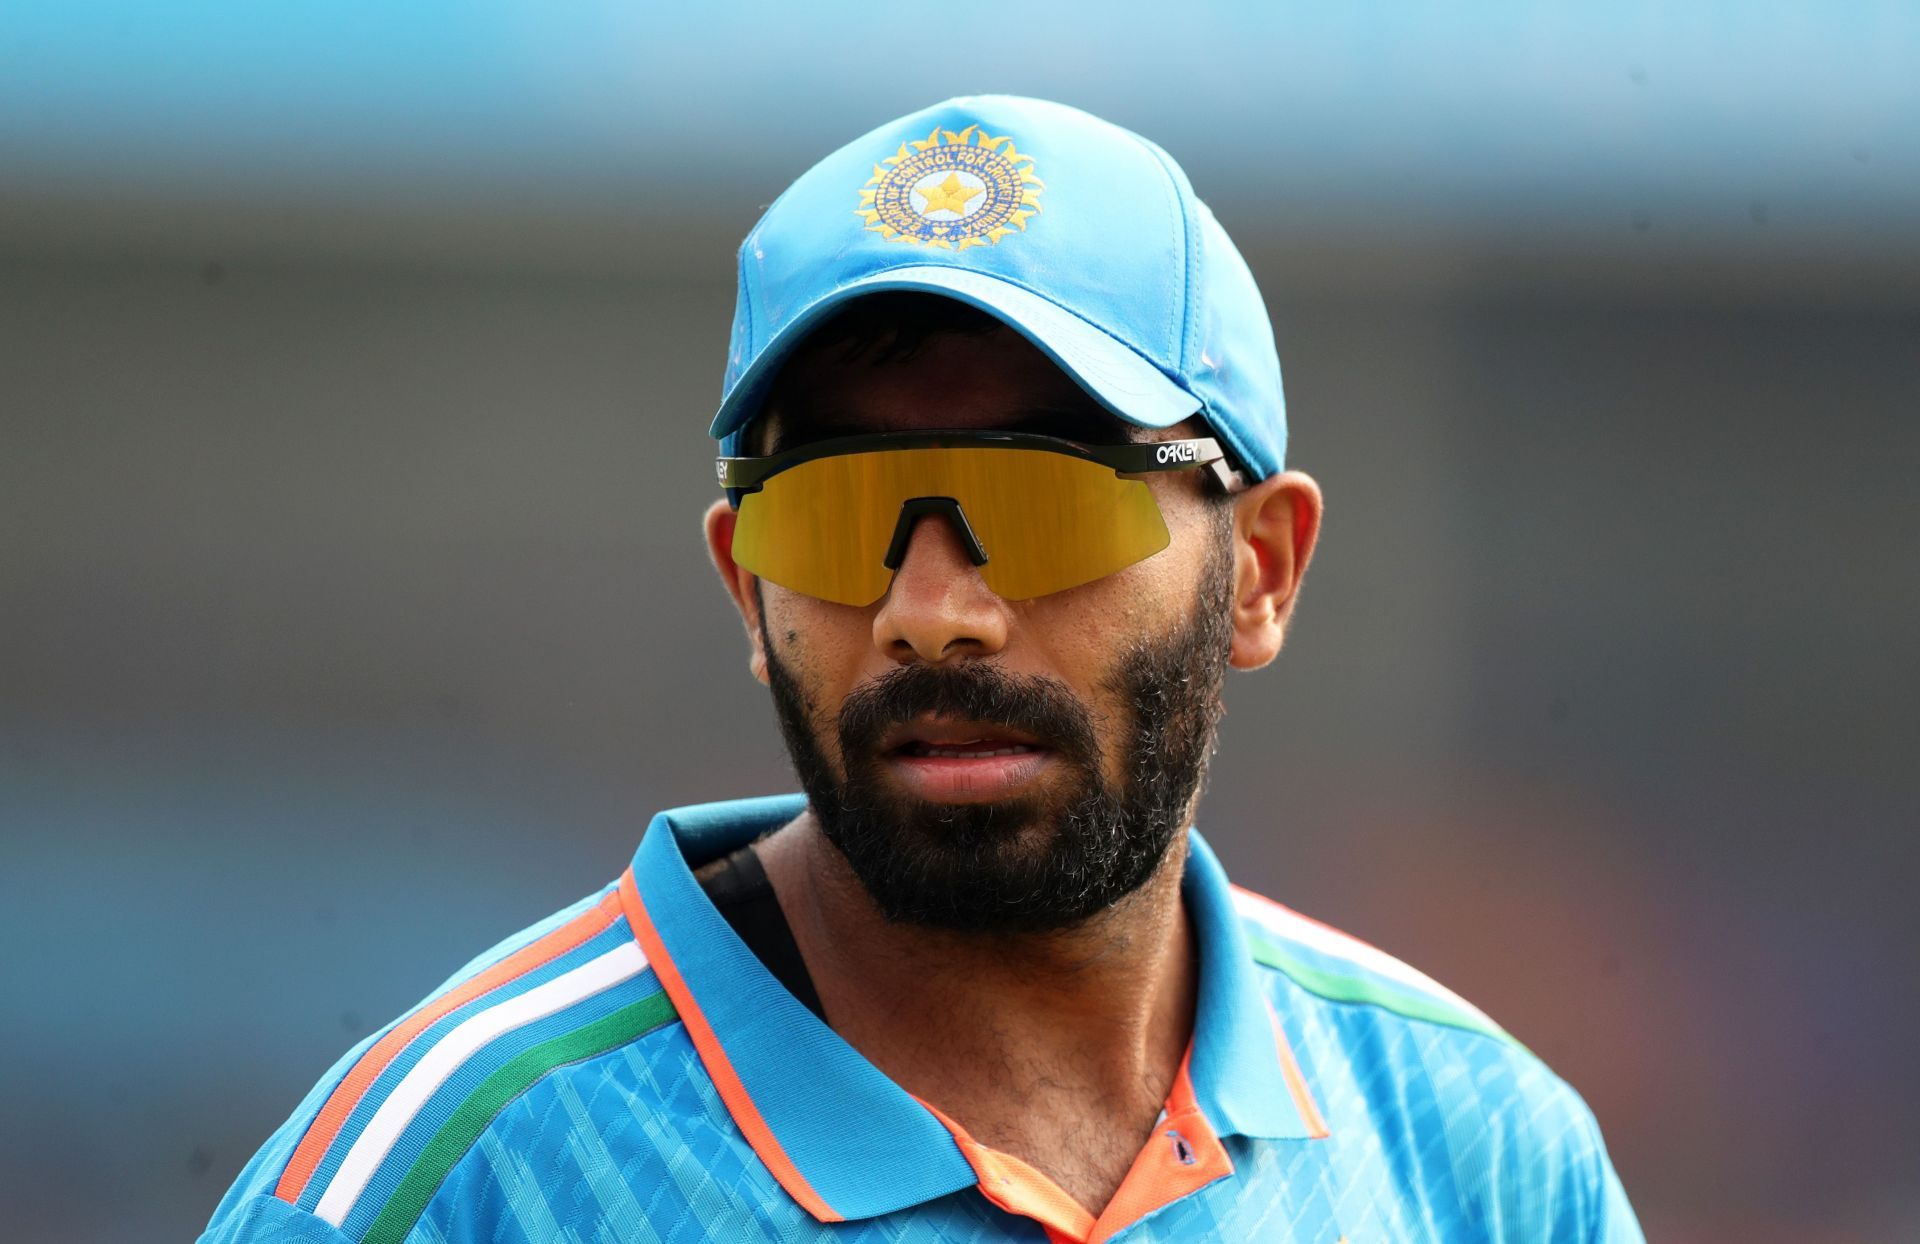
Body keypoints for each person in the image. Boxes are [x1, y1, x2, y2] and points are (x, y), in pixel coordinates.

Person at [202, 95, 1641, 1244]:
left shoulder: (1482, 1155)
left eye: (1044, 502)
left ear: (1259, 569)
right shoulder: (451, 1180)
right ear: (746, 587)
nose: (930, 612)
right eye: (831, 516)